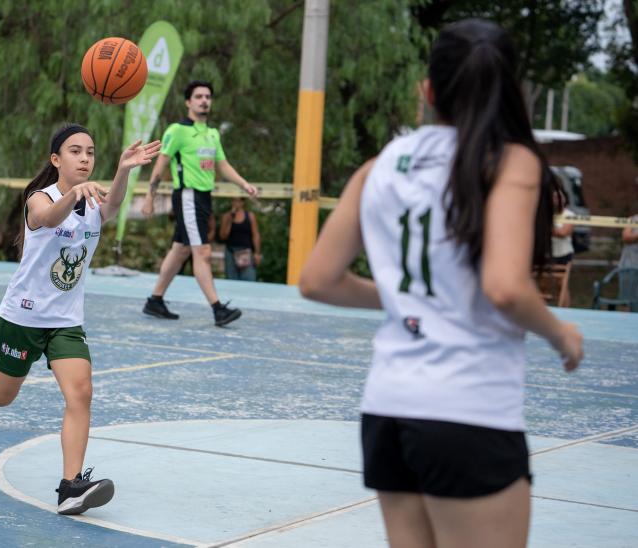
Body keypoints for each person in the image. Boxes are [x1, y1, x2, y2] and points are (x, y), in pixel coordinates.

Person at [299, 19, 584, 548]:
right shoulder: (510, 161)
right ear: (511, 92)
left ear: (427, 91)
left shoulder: (382, 165)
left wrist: (409, 296)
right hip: (468, 412)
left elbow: (317, 280)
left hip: (387, 411)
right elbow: (504, 287)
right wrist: (561, 333)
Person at [0, 124, 161, 516]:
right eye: (75, 151)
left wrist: (123, 170)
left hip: (65, 321)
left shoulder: (94, 202)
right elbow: (49, 218)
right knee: (3, 394)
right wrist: (72, 194)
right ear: (56, 159)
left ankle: (70, 487)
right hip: (23, 317)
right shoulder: (40, 198)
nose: (85, 158)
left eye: (91, 152)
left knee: (81, 392)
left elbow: (113, 206)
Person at [141, 80, 258, 326]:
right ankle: (218, 309)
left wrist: (244, 184)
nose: (204, 100)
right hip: (188, 196)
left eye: (207, 96)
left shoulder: (212, 134)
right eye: (198, 96)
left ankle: (155, 300)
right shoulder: (177, 131)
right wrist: (150, 197)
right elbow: (161, 164)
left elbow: (222, 165)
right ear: (188, 102)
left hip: (204, 198)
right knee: (202, 252)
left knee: (181, 249)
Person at [219, 197, 261, 281]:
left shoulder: (250, 216)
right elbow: (223, 236)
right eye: (233, 200)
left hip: (245, 252)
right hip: (230, 251)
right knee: (231, 280)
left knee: (248, 279)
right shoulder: (226, 216)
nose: (235, 203)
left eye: (238, 201)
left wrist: (257, 253)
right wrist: (230, 219)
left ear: (243, 203)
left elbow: (255, 235)